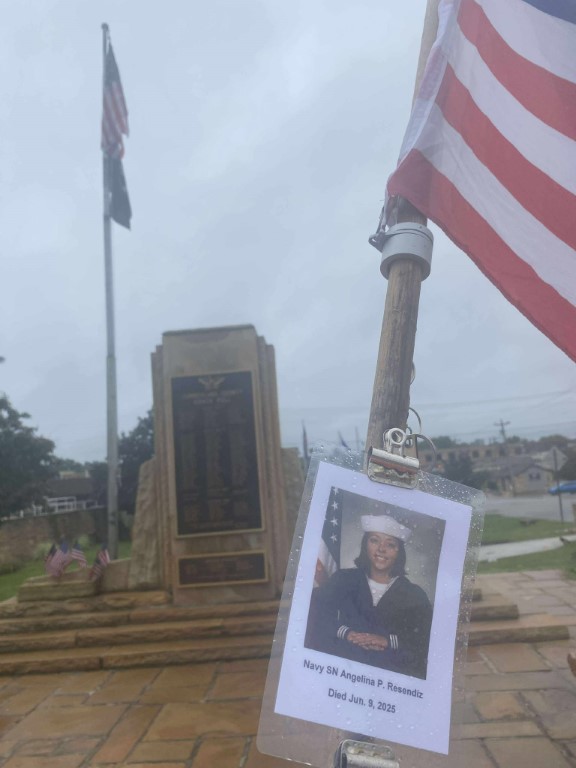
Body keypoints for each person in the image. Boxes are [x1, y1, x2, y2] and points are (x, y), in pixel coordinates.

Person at [305, 514, 433, 679]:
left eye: (390, 544)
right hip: (344, 672)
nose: (381, 549)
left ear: (399, 552)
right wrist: (347, 633)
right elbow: (315, 613)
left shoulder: (414, 594)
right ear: (365, 544)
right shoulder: (343, 580)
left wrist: (388, 641)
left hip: (390, 677)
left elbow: (424, 639)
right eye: (374, 540)